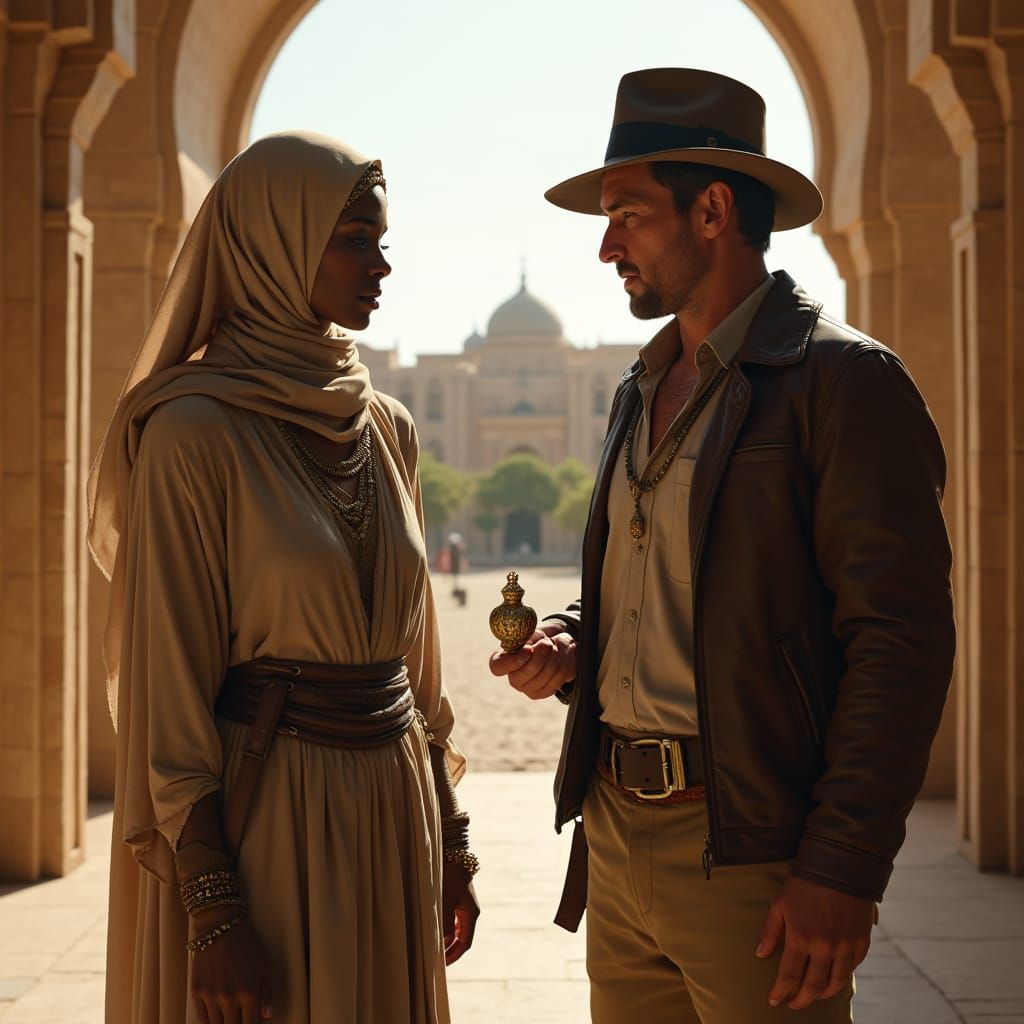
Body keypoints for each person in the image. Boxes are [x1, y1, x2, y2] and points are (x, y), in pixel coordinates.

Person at [489, 68, 954, 1023]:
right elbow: (646, 578)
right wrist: (574, 640)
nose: (607, 245)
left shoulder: (839, 382)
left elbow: (899, 641)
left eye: (625, 214)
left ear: (711, 209)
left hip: (753, 848)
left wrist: (844, 866)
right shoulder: (639, 386)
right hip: (617, 842)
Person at [88, 131, 479, 1024]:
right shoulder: (194, 430)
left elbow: (418, 668)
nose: (380, 265)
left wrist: (450, 836)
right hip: (271, 821)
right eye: (354, 239)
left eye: (382, 242)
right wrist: (212, 906)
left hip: (391, 810)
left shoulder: (386, 426)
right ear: (274, 241)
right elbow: (169, 687)